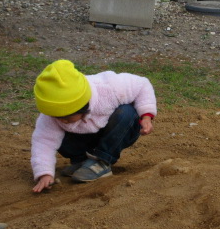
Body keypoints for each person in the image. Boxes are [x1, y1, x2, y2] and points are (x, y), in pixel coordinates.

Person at [30, 59, 157, 192]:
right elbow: (43, 142)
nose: (63, 120)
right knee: (51, 133)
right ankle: (82, 161)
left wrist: (146, 115)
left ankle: (102, 161)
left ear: (82, 105)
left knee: (127, 112)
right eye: (57, 117)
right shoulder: (52, 115)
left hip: (114, 133)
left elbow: (142, 85)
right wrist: (44, 173)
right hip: (84, 139)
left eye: (67, 117)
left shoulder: (109, 87)